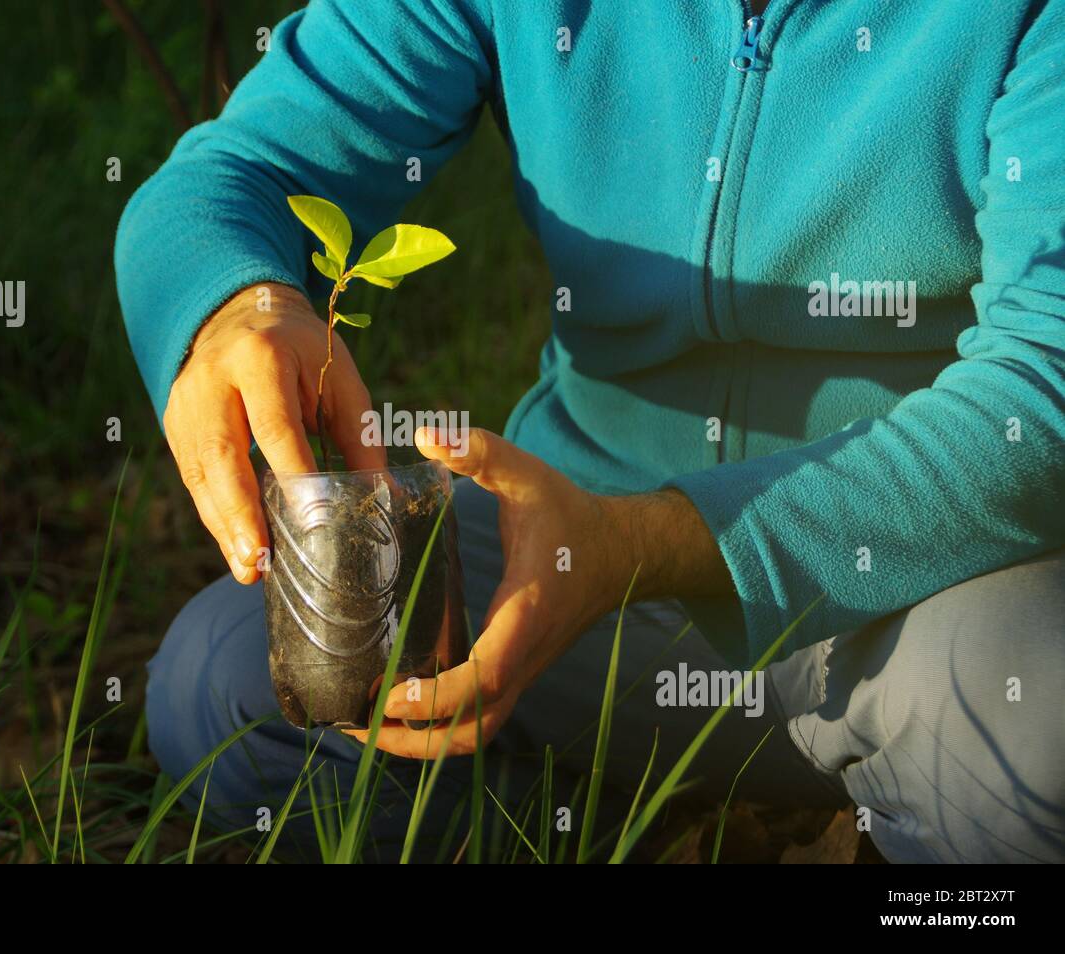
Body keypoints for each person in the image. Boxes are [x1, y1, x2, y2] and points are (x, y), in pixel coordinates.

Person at [115, 0, 1065, 862]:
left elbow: (1042, 389)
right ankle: (610, 838)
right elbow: (235, 171)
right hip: (567, 570)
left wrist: (645, 544)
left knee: (1039, 729)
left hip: (920, 591)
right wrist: (234, 302)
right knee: (226, 683)